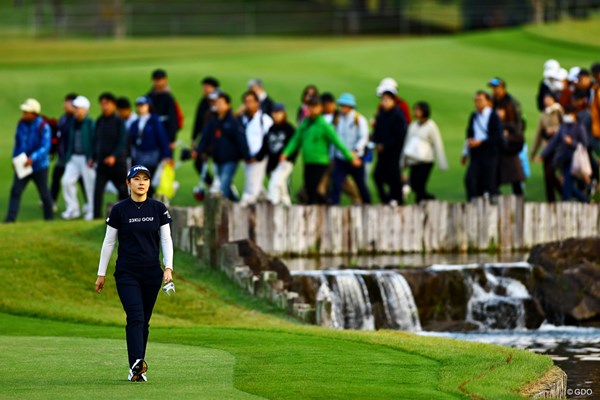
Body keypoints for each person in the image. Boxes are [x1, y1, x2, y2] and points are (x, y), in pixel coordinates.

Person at [95, 164, 174, 383]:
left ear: (149, 183)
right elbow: (109, 242)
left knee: (144, 322)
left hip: (151, 274)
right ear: (128, 183)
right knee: (136, 317)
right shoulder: (120, 210)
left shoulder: (158, 208)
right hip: (127, 273)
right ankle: (135, 364)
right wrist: (101, 273)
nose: (141, 183)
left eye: (145, 179)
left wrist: (168, 267)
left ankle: (139, 367)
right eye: (136, 179)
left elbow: (166, 239)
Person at [281, 95, 361, 205]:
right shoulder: (305, 123)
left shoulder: (324, 125)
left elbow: (338, 143)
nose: (311, 109)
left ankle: (323, 207)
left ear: (320, 108)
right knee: (309, 189)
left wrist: (350, 157)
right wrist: (286, 152)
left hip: (320, 162)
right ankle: (322, 206)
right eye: (309, 107)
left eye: (314, 107)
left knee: (315, 189)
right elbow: (295, 140)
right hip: (308, 161)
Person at [4, 98, 54, 223]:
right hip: (23, 164)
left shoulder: (43, 126)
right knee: (16, 191)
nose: (24, 114)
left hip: (39, 166)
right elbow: (18, 143)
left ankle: (50, 219)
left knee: (44, 193)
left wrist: (32, 158)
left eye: (26, 112)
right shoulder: (21, 124)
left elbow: (45, 147)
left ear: (34, 113)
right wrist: (15, 159)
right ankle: (10, 219)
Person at [197, 92, 249, 201]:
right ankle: (235, 203)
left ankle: (220, 209)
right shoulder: (213, 122)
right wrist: (198, 150)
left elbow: (240, 140)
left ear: (228, 105)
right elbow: (205, 138)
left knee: (223, 186)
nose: (218, 106)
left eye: (221, 103)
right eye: (217, 103)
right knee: (225, 184)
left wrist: (246, 155)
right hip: (218, 159)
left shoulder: (233, 122)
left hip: (230, 159)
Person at [401, 101, 448, 203]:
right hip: (414, 160)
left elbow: (437, 143)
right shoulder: (413, 126)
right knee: (415, 185)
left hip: (426, 160)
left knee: (420, 185)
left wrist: (442, 162)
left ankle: (422, 202)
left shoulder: (431, 126)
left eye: (418, 110)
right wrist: (403, 160)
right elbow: (407, 143)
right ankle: (427, 199)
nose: (415, 112)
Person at [330, 93, 371, 205]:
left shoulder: (359, 119)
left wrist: (356, 150)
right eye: (341, 105)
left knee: (361, 185)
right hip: (340, 158)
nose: (342, 108)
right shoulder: (338, 119)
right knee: (336, 185)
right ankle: (334, 208)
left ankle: (368, 205)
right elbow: (335, 138)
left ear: (350, 106)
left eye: (344, 106)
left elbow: (363, 137)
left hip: (355, 159)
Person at [542, 105, 589, 202]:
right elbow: (554, 142)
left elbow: (585, 144)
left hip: (575, 160)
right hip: (564, 159)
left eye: (569, 114)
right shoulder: (563, 127)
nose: (567, 117)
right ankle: (585, 201)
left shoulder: (580, 127)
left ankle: (572, 201)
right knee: (569, 185)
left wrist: (572, 142)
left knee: (567, 186)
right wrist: (543, 154)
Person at [93, 92, 129, 219]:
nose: (104, 107)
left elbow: (122, 141)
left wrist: (114, 156)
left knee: (123, 190)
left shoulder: (119, 121)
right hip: (102, 163)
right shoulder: (100, 121)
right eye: (102, 104)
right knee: (97, 191)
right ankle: (96, 216)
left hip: (117, 163)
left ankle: (127, 215)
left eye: (107, 104)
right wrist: (93, 157)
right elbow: (96, 140)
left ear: (113, 105)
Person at [462, 91, 502, 202]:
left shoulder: (493, 116)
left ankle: (491, 204)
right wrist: (465, 152)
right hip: (476, 153)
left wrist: (481, 142)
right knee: (470, 179)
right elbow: (469, 134)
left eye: (480, 100)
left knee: (489, 181)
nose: (477, 103)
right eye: (475, 101)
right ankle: (473, 203)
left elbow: (497, 137)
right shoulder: (474, 116)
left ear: (488, 102)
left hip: (489, 153)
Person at [489, 77, 526, 196]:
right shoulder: (492, 102)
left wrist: (512, 135)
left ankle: (519, 196)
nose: (494, 90)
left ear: (503, 88)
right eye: (493, 88)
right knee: (495, 174)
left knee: (514, 174)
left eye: (496, 88)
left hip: (510, 141)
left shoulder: (512, 103)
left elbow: (520, 123)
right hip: (497, 142)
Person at [61, 96, 96, 220]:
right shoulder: (72, 123)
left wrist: (93, 157)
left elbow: (94, 142)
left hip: (87, 159)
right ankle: (72, 209)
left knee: (90, 185)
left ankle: (92, 210)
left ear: (84, 109)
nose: (75, 111)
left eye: (77, 108)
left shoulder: (90, 123)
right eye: (74, 108)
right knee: (66, 181)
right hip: (73, 157)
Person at [129, 96, 172, 198]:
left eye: (143, 105)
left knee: (147, 181)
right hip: (139, 155)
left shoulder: (154, 121)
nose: (141, 108)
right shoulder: (136, 122)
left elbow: (162, 138)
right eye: (139, 106)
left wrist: (166, 154)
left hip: (152, 155)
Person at [256, 103, 297, 205]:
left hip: (285, 163)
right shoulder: (271, 129)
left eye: (278, 112)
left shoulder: (289, 129)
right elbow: (265, 147)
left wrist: (290, 159)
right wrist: (256, 157)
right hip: (273, 165)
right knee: (282, 190)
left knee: (274, 184)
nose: (276, 115)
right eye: (274, 113)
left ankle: (272, 205)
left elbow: (295, 146)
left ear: (283, 113)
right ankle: (288, 207)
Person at [373, 90, 408, 205]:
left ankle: (398, 200)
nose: (385, 102)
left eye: (387, 100)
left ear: (393, 101)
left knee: (393, 177)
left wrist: (385, 145)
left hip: (394, 152)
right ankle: (386, 199)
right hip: (382, 153)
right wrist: (375, 142)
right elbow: (377, 131)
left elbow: (400, 136)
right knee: (377, 175)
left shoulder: (398, 115)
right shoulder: (382, 114)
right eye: (383, 100)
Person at [239, 90, 273, 206]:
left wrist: (259, 156)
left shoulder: (264, 120)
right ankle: (269, 201)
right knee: (257, 184)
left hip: (259, 158)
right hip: (246, 157)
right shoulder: (242, 119)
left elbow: (269, 139)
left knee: (251, 186)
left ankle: (244, 206)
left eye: (251, 102)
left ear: (257, 103)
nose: (248, 105)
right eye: (246, 102)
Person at [530, 92, 564, 202]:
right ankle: (551, 200)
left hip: (558, 148)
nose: (547, 101)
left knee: (552, 173)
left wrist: (554, 129)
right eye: (545, 98)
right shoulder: (544, 114)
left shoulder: (560, 111)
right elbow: (538, 135)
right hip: (546, 148)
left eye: (549, 98)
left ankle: (564, 194)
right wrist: (533, 153)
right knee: (547, 176)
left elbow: (566, 127)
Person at [50, 93, 78, 208]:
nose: (65, 105)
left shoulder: (75, 120)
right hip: (62, 155)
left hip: (72, 156)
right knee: (57, 176)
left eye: (67, 103)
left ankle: (87, 204)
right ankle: (52, 201)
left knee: (78, 181)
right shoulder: (63, 118)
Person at [147, 69, 180, 148]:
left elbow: (174, 119)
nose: (158, 82)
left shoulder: (169, 98)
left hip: (166, 136)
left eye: (160, 79)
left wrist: (172, 139)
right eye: (156, 80)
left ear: (166, 80)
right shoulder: (148, 97)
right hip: (152, 136)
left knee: (166, 159)